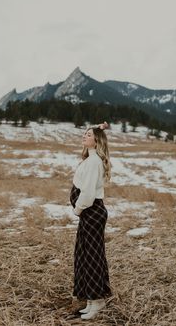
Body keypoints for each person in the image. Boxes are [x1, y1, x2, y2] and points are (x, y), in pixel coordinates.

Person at [70, 121, 112, 320]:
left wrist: (78, 209)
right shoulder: (91, 158)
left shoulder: (94, 162)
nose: (84, 136)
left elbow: (87, 194)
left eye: (88, 135)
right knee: (86, 256)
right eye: (84, 134)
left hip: (91, 212)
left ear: (96, 141)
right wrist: (97, 127)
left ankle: (97, 301)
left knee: (92, 257)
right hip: (91, 213)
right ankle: (91, 301)